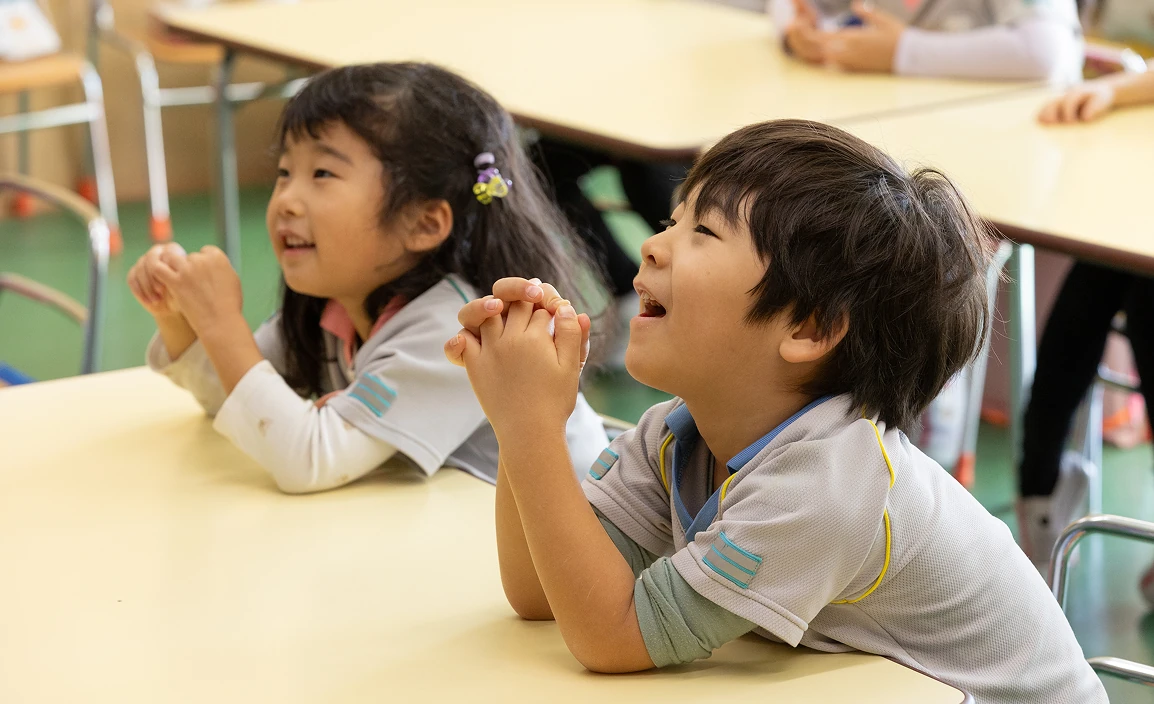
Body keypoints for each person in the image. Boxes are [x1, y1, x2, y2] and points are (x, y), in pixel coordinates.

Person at [448, 120, 1106, 702]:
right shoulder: (681, 432)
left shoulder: (826, 479)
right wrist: (526, 416)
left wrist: (531, 423)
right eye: (670, 221)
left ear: (811, 330)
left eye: (702, 230)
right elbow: (539, 594)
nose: (652, 246)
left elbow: (613, 637)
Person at [127, 62, 608, 492]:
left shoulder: (460, 332)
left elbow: (309, 460)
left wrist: (219, 323)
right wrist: (180, 319)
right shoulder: (337, 305)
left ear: (422, 223)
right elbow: (242, 405)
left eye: (321, 174)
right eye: (283, 172)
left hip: (570, 557)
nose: (286, 200)